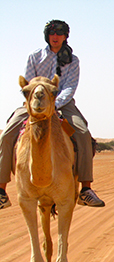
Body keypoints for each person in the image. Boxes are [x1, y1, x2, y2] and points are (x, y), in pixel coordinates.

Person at [0, 20, 105, 210]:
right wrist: (40, 103)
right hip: (34, 104)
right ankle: (1, 190)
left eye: (59, 33)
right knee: (6, 134)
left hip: (62, 104)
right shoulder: (35, 57)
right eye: (52, 33)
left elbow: (70, 87)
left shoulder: (73, 60)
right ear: (47, 36)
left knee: (82, 134)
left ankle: (85, 189)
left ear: (65, 36)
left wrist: (54, 104)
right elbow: (28, 85)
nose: (55, 37)